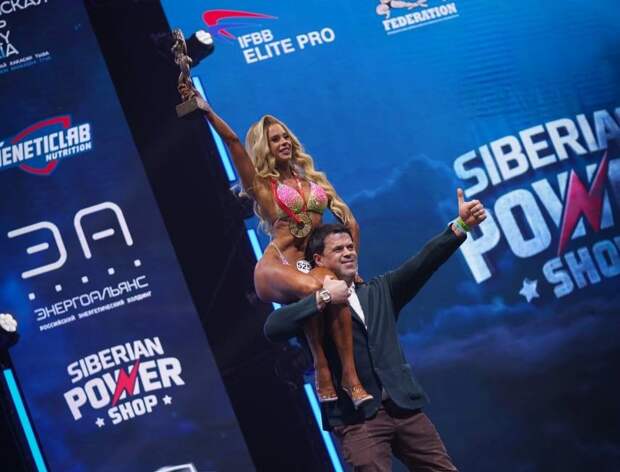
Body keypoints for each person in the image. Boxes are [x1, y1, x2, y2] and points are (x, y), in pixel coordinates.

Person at [264, 189, 486, 471]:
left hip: (404, 408)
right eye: (338, 249)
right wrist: (323, 298)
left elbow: (423, 262)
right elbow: (273, 328)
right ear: (319, 260)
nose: (348, 252)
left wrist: (461, 225)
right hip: (357, 420)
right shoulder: (312, 306)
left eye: (350, 247)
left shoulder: (380, 291)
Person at [183, 84, 373, 406]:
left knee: (333, 290)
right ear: (265, 147)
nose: (283, 142)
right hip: (278, 265)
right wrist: (207, 110)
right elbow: (233, 143)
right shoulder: (262, 186)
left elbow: (351, 223)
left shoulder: (315, 180)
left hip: (311, 264)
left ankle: (351, 379)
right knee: (315, 289)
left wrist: (351, 271)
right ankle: (322, 368)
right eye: (275, 139)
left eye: (286, 137)